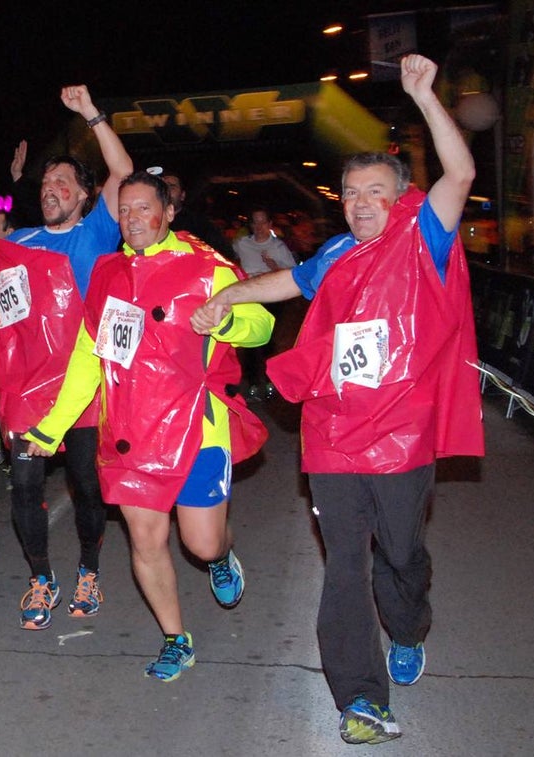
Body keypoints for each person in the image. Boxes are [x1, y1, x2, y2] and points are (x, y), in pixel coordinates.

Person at [192, 54, 484, 745]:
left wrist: (423, 95)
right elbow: (289, 283)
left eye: (374, 191)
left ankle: (409, 625)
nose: (359, 203)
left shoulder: (424, 238)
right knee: (344, 566)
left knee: (401, 558)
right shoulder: (336, 257)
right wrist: (229, 294)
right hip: (334, 437)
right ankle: (361, 697)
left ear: (399, 197)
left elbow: (461, 174)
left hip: (403, 438)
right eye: (350, 192)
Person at [25, 171, 272, 678]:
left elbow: (261, 323)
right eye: (124, 210)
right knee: (145, 539)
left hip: (197, 427)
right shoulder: (108, 273)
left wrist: (225, 321)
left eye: (143, 208)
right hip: (131, 430)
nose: (133, 219)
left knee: (200, 543)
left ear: (169, 212)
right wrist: (51, 427)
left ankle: (223, 555)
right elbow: (87, 358)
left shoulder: (207, 267)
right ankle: (175, 638)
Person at [0, 84, 132, 628]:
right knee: (23, 484)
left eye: (62, 183)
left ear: (85, 196)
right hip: (30, 389)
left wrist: (92, 114)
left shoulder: (99, 231)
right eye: (46, 183)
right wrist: (12, 184)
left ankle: (89, 569)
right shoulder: (22, 239)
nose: (51, 190)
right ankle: (40, 579)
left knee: (86, 485)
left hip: (86, 386)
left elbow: (123, 171)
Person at [232, 206, 298, 399]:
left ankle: (270, 379)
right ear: (251, 225)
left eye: (263, 222)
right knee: (251, 339)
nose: (259, 226)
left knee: (269, 339)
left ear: (270, 224)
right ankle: (253, 382)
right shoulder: (242, 243)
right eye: (255, 222)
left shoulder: (278, 247)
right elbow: (227, 258)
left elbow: (292, 273)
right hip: (250, 295)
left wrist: (274, 267)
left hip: (272, 295)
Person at [160, 171, 236, 261]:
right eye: (162, 187)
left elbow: (224, 254)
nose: (166, 191)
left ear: (182, 195)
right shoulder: (148, 222)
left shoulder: (200, 224)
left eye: (171, 187)